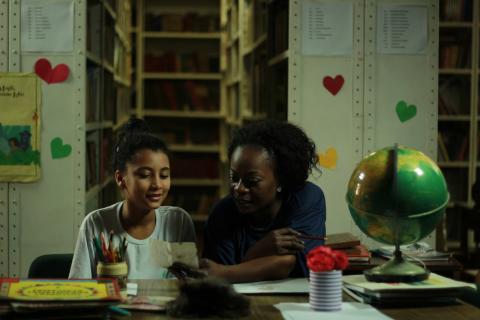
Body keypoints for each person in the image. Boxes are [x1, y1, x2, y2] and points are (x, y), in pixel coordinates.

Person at [69, 117, 195, 279]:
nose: (157, 184)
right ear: (121, 179)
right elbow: (79, 290)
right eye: (145, 175)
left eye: (164, 175)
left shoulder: (178, 222)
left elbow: (187, 288)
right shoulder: (95, 224)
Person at [201, 119, 326, 283]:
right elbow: (219, 280)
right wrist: (261, 249)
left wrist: (230, 271)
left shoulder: (306, 198)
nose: (239, 188)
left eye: (252, 181)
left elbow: (291, 263)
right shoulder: (222, 213)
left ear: (281, 179)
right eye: (234, 178)